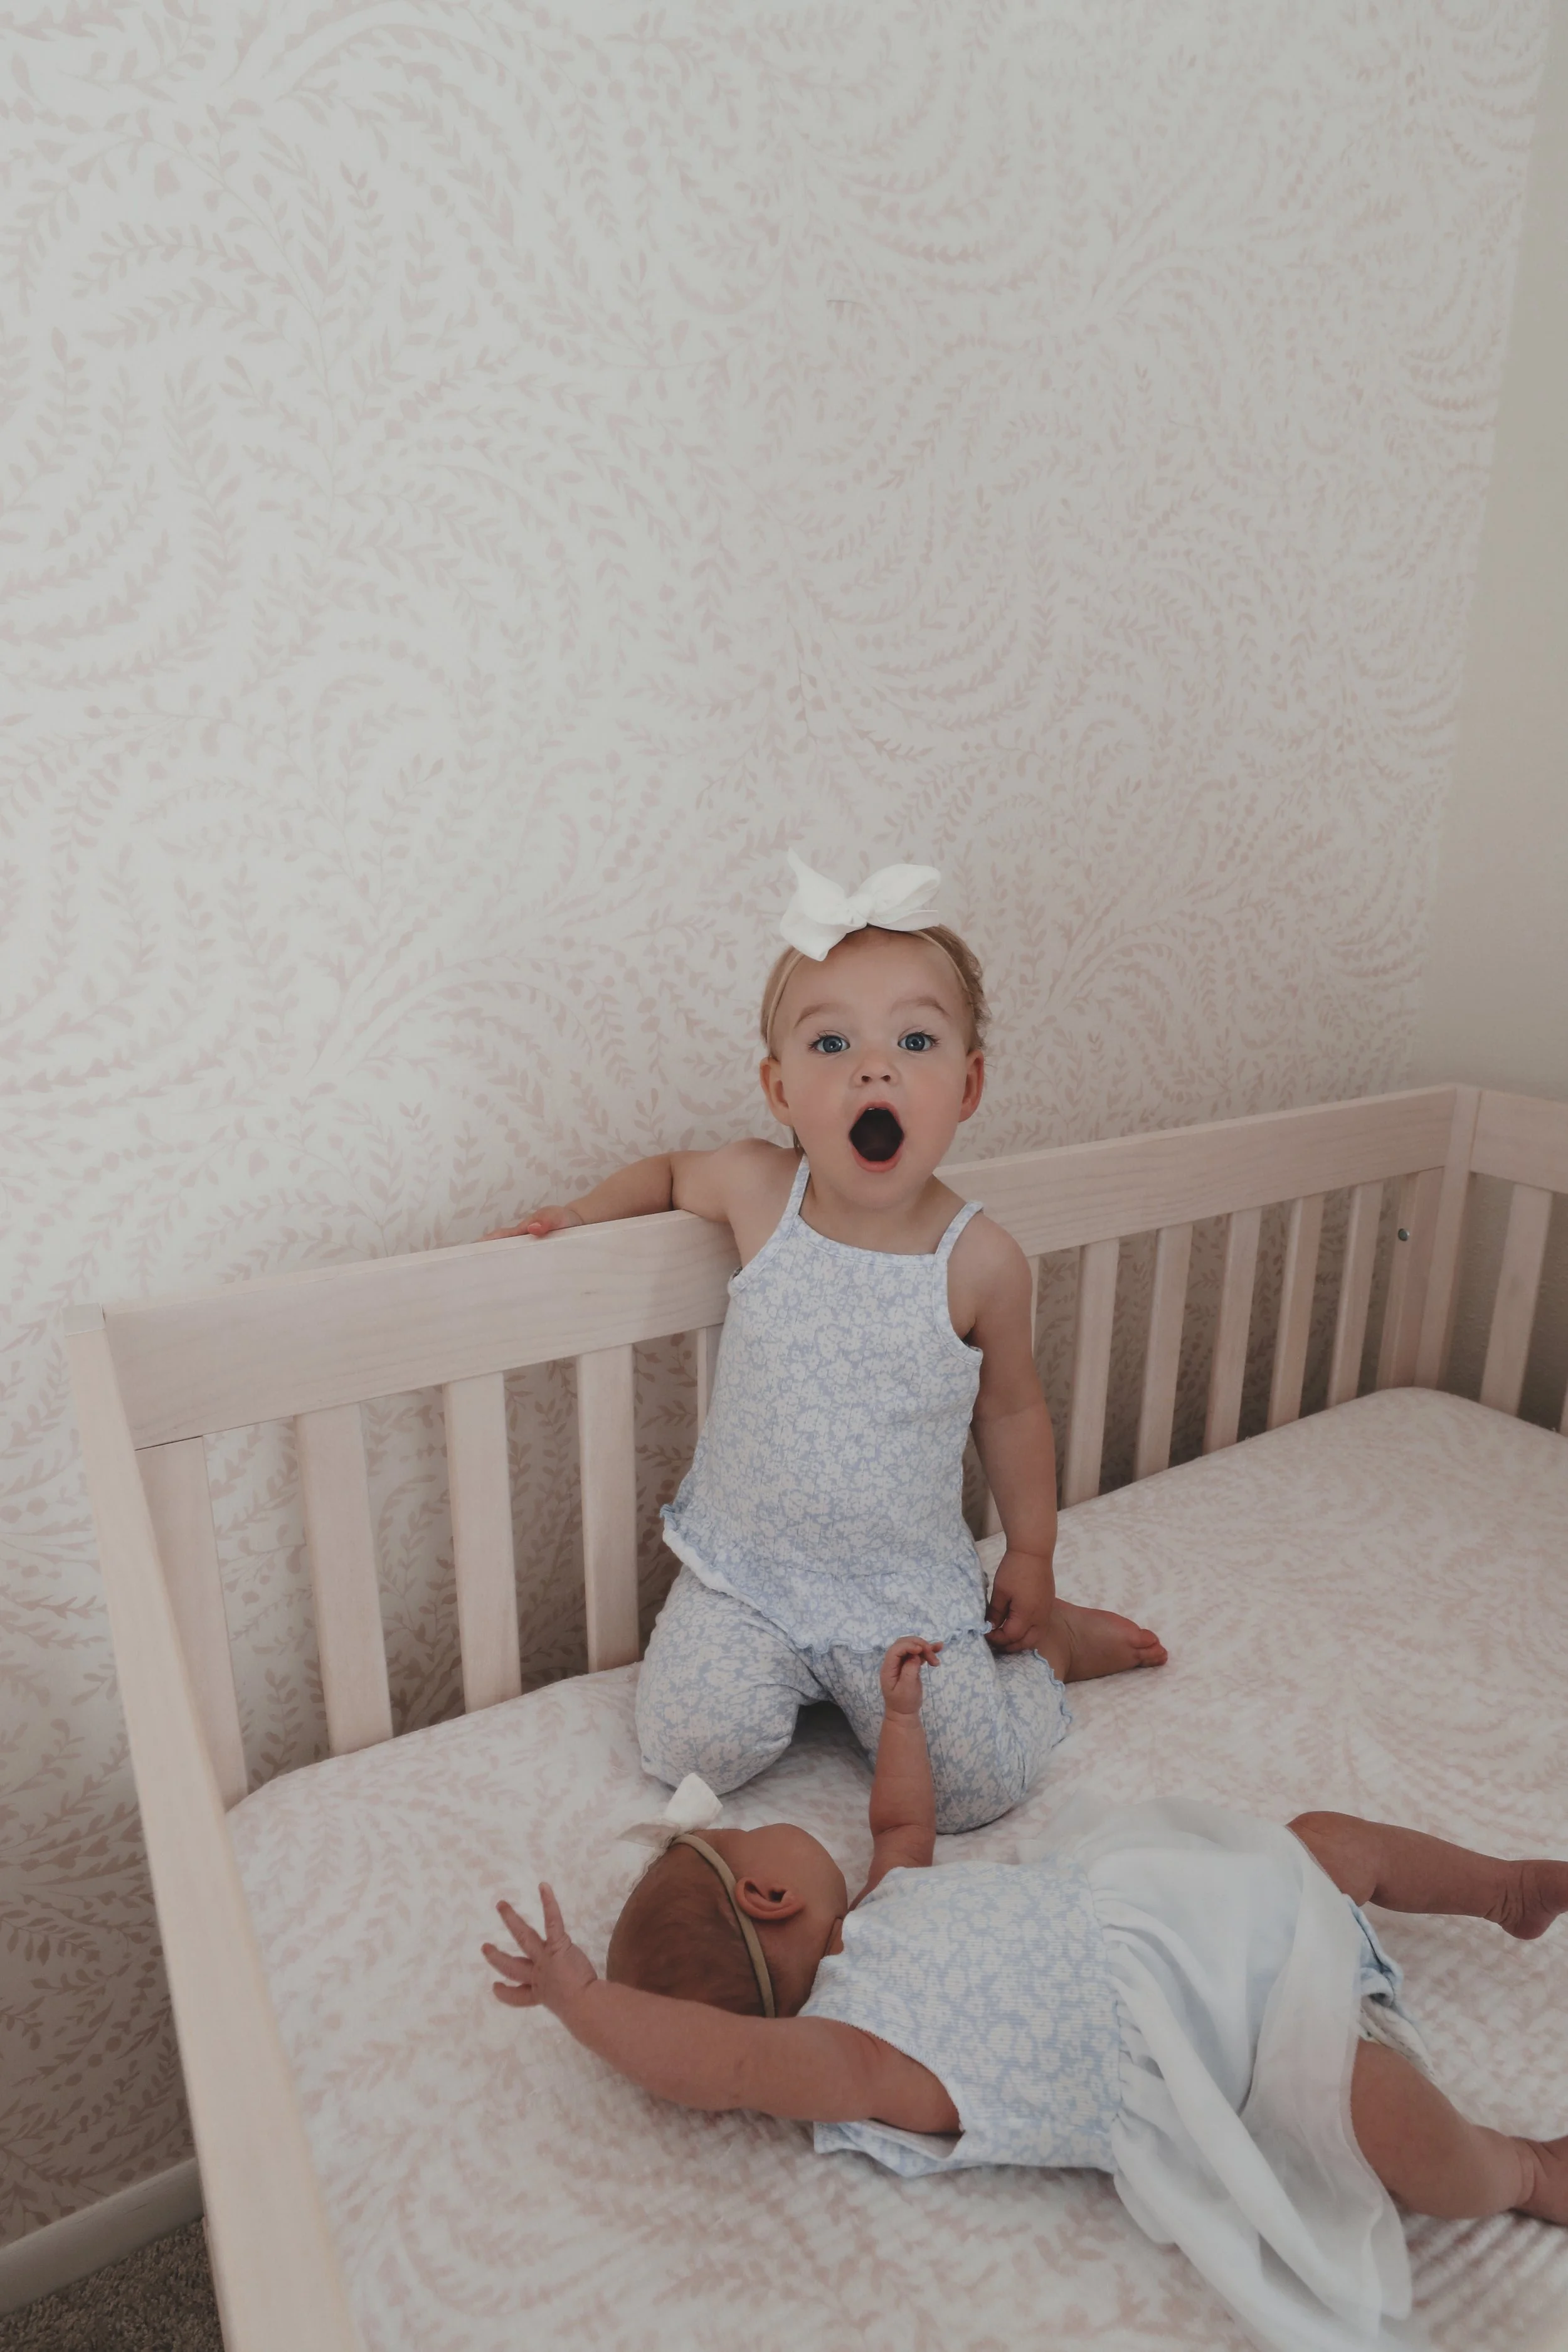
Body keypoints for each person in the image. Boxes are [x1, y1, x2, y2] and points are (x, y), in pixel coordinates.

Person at [483, 1638, 1568, 2352]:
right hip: (1224, 2045)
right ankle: (1518, 2165)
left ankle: (1505, 1887)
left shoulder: (884, 1915)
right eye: (737, 1831)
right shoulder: (862, 2054)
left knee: (1323, 1843)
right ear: (765, 1892)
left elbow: (903, 1824)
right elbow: (724, 2062)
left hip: (1221, 1916)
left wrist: (898, 1718)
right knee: (1379, 2117)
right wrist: (584, 2000)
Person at [487, 851, 1164, 1832]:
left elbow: (1014, 1409)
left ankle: (1052, 1649)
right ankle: (805, 1687)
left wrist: (1033, 1550)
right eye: (833, 1041)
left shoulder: (979, 1260)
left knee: (970, 1791)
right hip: (749, 1577)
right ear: (779, 1088)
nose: (874, 1066)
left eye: (917, 1040)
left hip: (897, 1592)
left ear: (968, 1086)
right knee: (684, 1743)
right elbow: (673, 1171)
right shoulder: (762, 1193)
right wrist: (580, 1212)